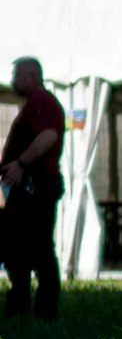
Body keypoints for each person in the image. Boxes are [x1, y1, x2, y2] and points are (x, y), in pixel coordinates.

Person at [2, 57, 65, 319]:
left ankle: (44, 309)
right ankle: (21, 303)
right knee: (17, 248)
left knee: (38, 247)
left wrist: (21, 163)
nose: (13, 80)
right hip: (29, 185)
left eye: (16, 74)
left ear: (31, 75)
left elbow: (49, 136)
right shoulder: (35, 104)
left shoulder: (42, 102)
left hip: (36, 186)